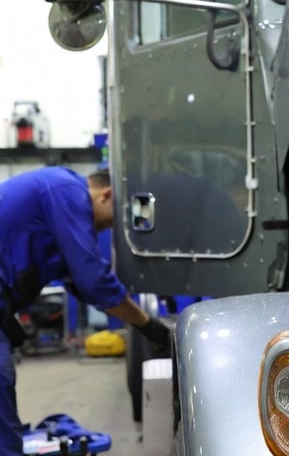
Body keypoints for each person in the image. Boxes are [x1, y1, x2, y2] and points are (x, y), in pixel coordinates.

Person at [0, 166, 170, 454]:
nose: (102, 231)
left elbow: (84, 286)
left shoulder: (58, 194)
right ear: (107, 195)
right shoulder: (65, 189)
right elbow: (95, 283)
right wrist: (149, 326)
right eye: (108, 224)